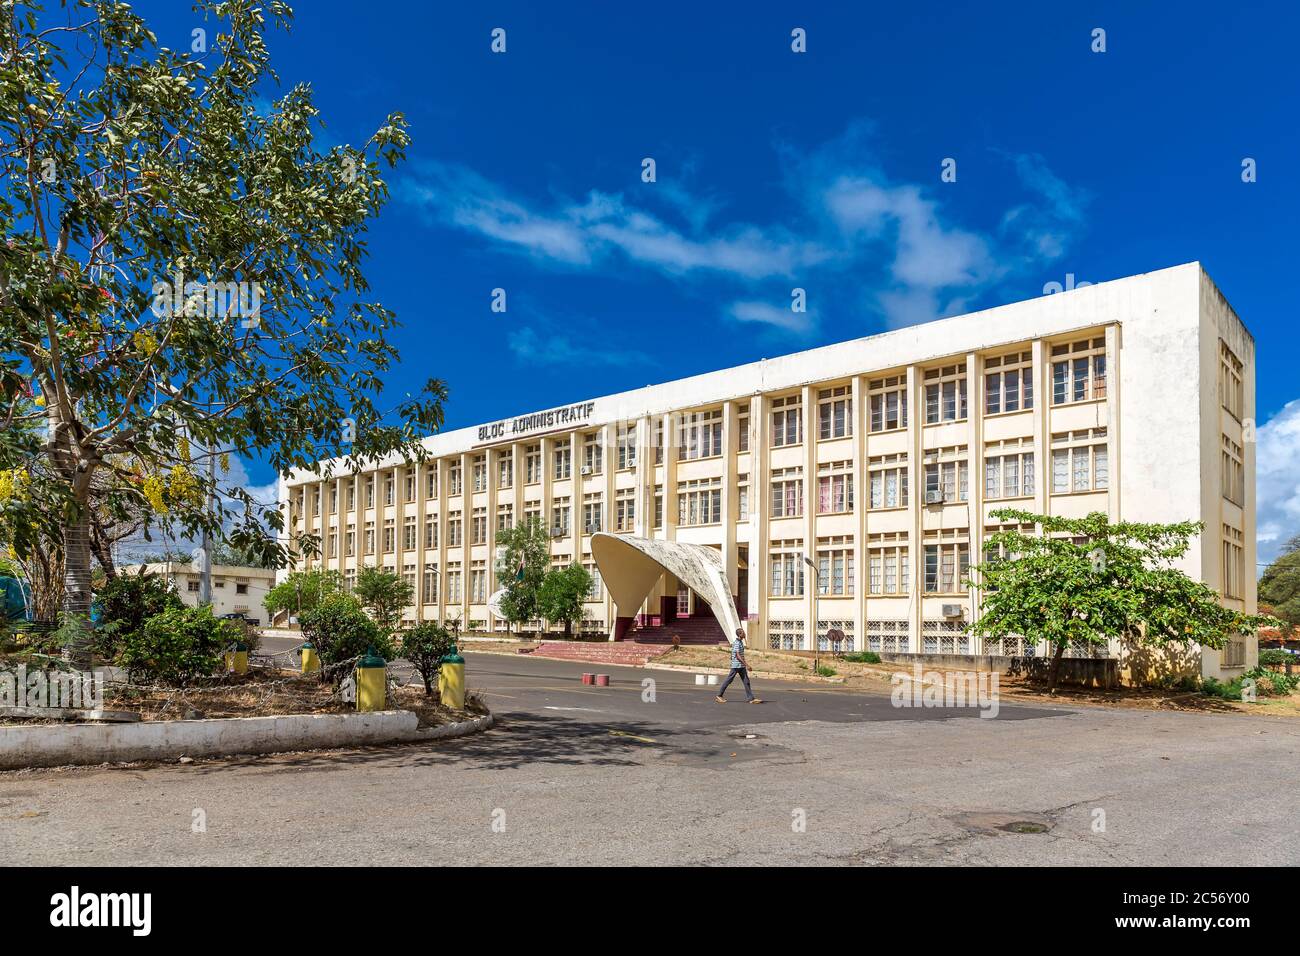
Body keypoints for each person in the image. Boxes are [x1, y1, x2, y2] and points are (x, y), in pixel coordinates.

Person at [716, 626, 761, 703]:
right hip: (736, 666)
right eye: (743, 632)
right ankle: (719, 696)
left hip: (741, 666)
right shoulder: (737, 643)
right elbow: (737, 655)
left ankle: (751, 698)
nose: (745, 634)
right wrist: (747, 665)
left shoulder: (740, 642)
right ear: (740, 634)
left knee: (746, 681)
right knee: (729, 680)